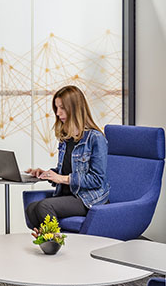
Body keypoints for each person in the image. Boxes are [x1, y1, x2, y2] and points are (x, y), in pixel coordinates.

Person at [25, 84, 109, 232]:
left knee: (44, 206)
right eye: (56, 108)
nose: (58, 113)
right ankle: (47, 242)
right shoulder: (66, 137)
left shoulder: (95, 138)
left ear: (75, 108)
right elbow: (64, 170)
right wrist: (47, 174)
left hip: (87, 199)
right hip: (69, 195)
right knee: (32, 207)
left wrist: (63, 179)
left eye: (62, 108)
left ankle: (55, 242)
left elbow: (97, 179)